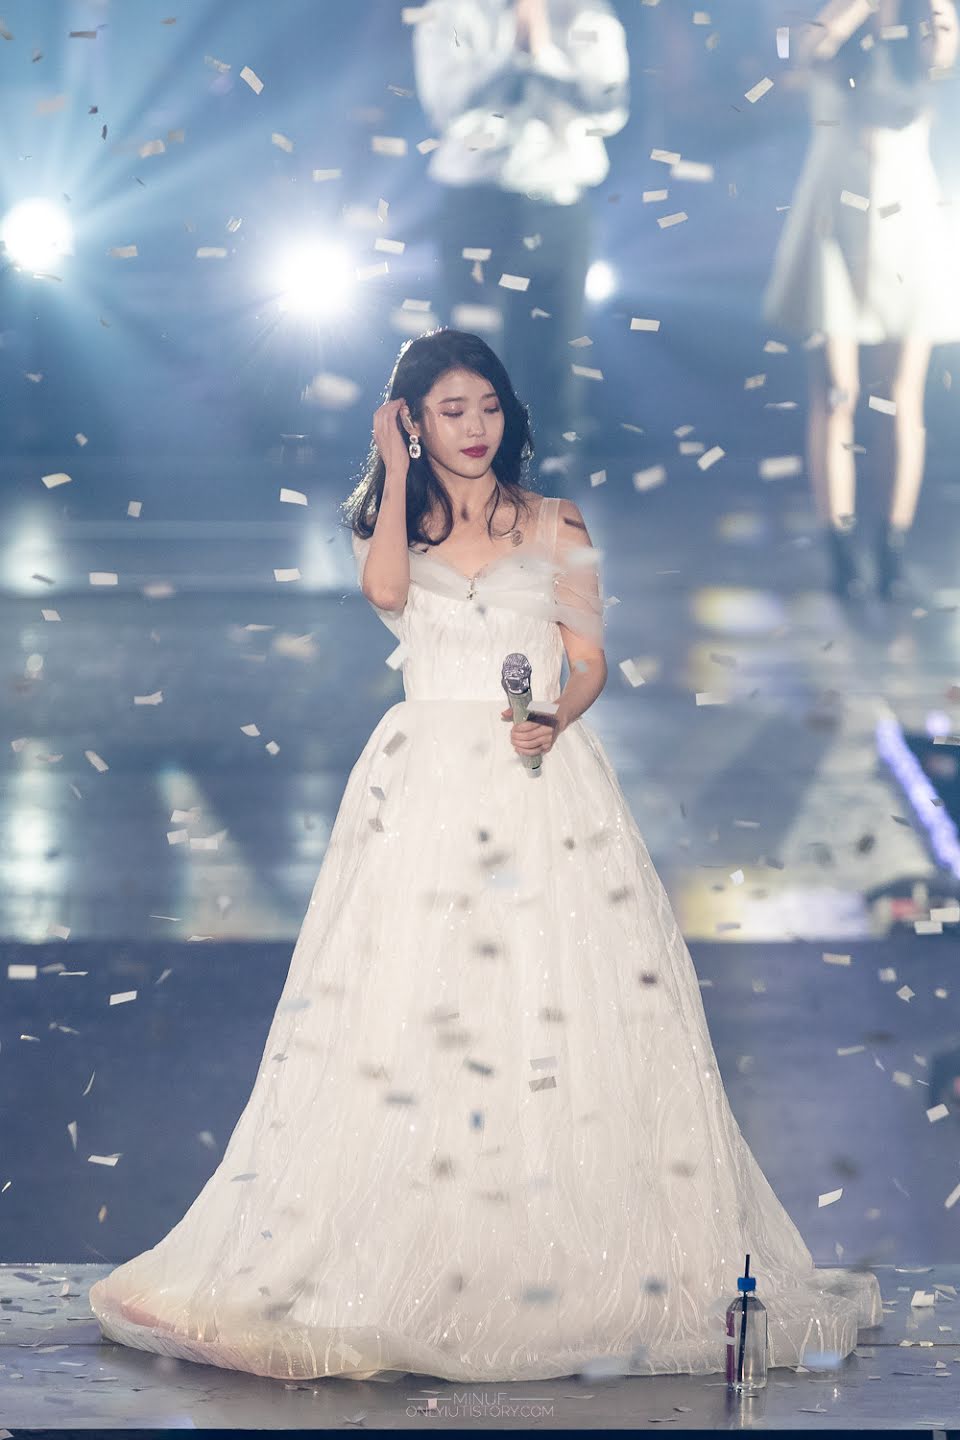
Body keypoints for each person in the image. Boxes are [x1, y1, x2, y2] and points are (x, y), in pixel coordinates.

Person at [88, 330, 881, 1383]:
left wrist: (556, 715)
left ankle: (552, 1249)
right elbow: (384, 595)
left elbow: (590, 657)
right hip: (422, 787)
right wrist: (395, 469)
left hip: (537, 780)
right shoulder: (389, 525)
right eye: (450, 410)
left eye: (489, 407)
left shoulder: (558, 523)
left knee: (555, 1003)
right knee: (411, 1007)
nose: (475, 427)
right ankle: (408, 1243)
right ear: (414, 420)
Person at [763, 0, 960, 601]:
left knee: (900, 396)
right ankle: (840, 548)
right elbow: (806, 50)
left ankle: (892, 546)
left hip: (908, 220)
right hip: (834, 215)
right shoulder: (832, 21)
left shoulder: (925, 26)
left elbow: (943, 49)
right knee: (837, 393)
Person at [411, 0, 629, 448]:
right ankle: (463, 488)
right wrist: (516, 52)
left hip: (558, 207)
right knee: (469, 366)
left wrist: (543, 51)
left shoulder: (585, 13)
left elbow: (609, 109)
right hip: (477, 208)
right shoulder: (450, 11)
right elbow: (447, 109)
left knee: (556, 365)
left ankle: (551, 483)